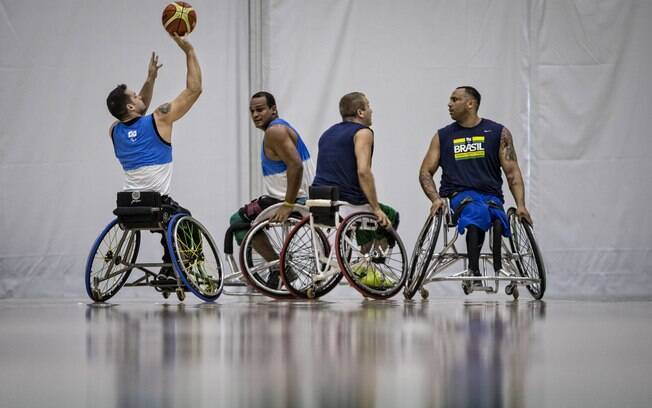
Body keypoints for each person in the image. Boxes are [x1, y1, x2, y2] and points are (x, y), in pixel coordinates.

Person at [106, 34, 202, 282]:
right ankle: (180, 271)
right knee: (184, 218)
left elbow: (137, 113)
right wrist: (189, 51)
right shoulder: (160, 117)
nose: (140, 96)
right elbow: (194, 89)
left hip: (127, 207)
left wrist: (150, 80)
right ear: (129, 107)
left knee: (167, 216)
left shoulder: (114, 131)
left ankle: (168, 268)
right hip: (157, 205)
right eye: (135, 95)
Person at [419, 86, 532, 288]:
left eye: (455, 99)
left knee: (497, 217)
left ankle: (498, 267)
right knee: (476, 211)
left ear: (470, 104)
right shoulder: (443, 136)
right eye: (450, 100)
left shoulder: (498, 133)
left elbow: (512, 172)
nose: (449, 104)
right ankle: (474, 270)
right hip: (460, 196)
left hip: (491, 196)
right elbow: (425, 172)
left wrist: (521, 205)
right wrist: (435, 199)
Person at [312, 92, 400, 288]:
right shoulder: (363, 132)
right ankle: (367, 267)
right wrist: (376, 208)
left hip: (321, 200)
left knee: (366, 211)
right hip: (348, 203)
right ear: (360, 112)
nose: (371, 110)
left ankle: (363, 264)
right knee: (388, 216)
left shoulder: (327, 133)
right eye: (368, 106)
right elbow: (363, 172)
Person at [229, 91, 314, 287]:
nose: (255, 115)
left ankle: (278, 267)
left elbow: (296, 166)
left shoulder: (275, 132)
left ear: (273, 109)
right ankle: (279, 267)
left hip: (292, 199)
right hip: (295, 196)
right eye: (252, 111)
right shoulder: (281, 128)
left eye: (260, 109)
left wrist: (288, 204)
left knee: (238, 221)